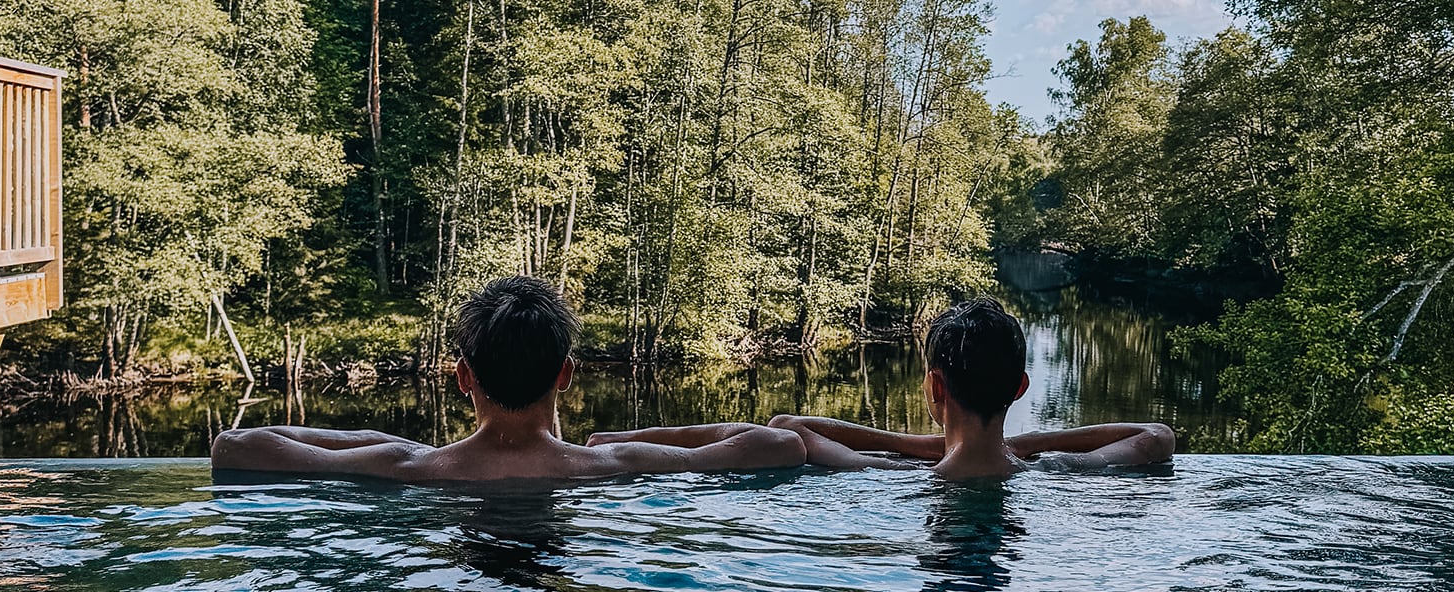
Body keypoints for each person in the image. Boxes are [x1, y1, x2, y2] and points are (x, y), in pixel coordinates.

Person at [211, 276, 804, 482]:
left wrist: (401, 448)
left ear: (463, 376)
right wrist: (630, 439)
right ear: (565, 375)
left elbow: (235, 448)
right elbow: (780, 444)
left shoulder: (408, 467)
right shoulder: (614, 467)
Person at [764, 298, 1175, 479]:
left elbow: (789, 425)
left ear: (935, 387)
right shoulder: (1058, 469)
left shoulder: (889, 473)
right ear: (1020, 388)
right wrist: (1020, 445)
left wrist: (931, 446)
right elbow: (1156, 437)